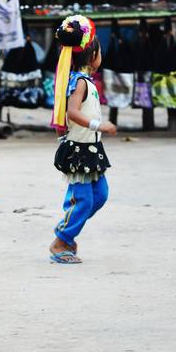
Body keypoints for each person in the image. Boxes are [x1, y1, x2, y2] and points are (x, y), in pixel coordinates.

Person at [48, 15, 117, 264]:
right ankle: (61, 239)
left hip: (90, 149)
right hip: (79, 150)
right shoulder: (79, 83)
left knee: (99, 196)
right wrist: (100, 125)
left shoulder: (85, 81)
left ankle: (68, 231)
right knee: (86, 199)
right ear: (93, 54)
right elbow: (72, 113)